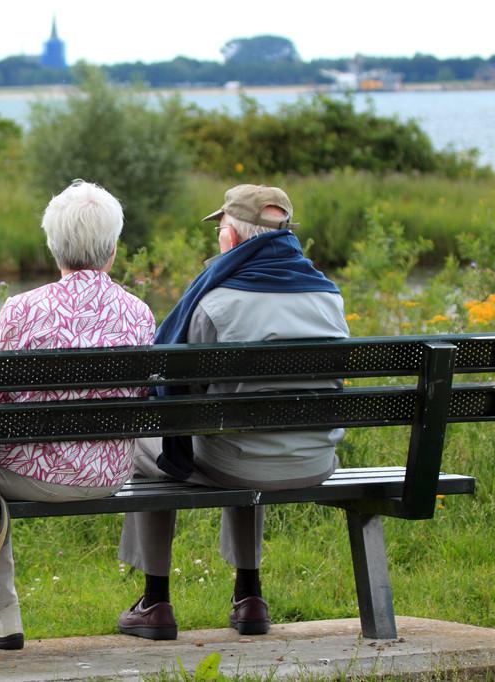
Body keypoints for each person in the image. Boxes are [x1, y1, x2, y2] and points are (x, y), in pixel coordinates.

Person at [116, 184, 349, 640]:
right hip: (314, 459)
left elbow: (174, 389)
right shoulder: (329, 297)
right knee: (247, 429)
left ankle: (155, 600)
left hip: (238, 461)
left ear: (236, 238)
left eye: (221, 227)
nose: (218, 236)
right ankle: (249, 595)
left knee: (154, 444)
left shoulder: (215, 302)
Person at [0, 180, 156, 649]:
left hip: (34, 475)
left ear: (53, 247)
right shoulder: (138, 312)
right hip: (109, 472)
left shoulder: (23, 309)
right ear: (114, 249)